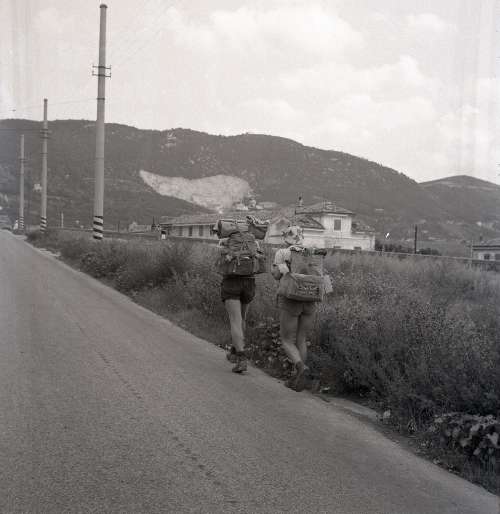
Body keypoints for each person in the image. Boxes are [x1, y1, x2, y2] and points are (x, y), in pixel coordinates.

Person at [271, 225, 317, 391]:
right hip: (310, 299)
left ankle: (301, 367)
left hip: (291, 300)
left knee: (286, 340)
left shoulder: (283, 253)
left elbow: (277, 275)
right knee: (301, 339)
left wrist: (276, 269)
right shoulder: (312, 252)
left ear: (286, 237)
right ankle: (298, 380)